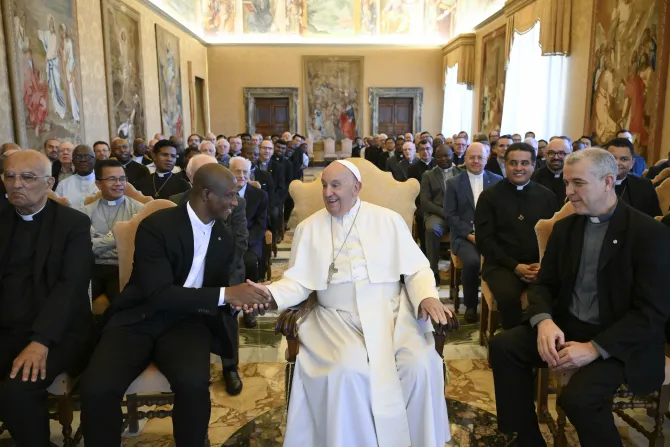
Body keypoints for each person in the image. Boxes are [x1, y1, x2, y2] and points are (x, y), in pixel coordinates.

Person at [248, 160, 453, 447]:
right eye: (324, 186)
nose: (328, 193)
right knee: (345, 371)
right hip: (335, 318)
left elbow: (417, 268)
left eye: (335, 185)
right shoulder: (309, 228)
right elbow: (298, 281)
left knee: (419, 364)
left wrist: (427, 295)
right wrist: (269, 295)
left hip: (392, 314)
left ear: (356, 188)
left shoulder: (388, 219)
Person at [79, 164, 272, 447]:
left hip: (188, 322)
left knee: (193, 385)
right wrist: (227, 295)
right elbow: (158, 293)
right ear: (206, 194)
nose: (235, 201)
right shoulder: (157, 226)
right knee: (97, 387)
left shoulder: (224, 236)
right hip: (138, 319)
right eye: (230, 195)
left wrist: (245, 303)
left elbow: (226, 290)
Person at [490, 148, 670, 447]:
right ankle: (526, 440)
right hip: (568, 326)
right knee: (504, 347)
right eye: (567, 184)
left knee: (579, 399)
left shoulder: (649, 234)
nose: (569, 192)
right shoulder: (565, 228)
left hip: (622, 341)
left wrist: (595, 348)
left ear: (608, 181)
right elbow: (542, 285)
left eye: (578, 183)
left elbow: (651, 313)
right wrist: (544, 320)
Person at [0, 150, 92, 445]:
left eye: (27, 177)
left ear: (49, 182)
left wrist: (41, 341)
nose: (17, 185)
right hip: (7, 327)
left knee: (17, 390)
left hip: (57, 332)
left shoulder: (73, 224)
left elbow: (71, 287)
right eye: (10, 176)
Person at [475, 143, 558, 329]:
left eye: (524, 163)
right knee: (508, 296)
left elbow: (555, 238)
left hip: (538, 265)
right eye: (513, 163)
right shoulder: (489, 197)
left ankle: (542, 339)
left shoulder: (547, 197)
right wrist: (515, 266)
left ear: (533, 165)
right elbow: (485, 240)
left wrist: (543, 265)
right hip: (501, 265)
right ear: (505, 164)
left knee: (553, 293)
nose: (519, 168)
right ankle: (513, 340)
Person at [445, 143, 502, 323]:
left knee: (501, 260)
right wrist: (470, 235)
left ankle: (499, 304)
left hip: (491, 235)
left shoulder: (498, 180)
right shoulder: (453, 183)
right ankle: (470, 305)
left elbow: (502, 212)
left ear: (486, 159)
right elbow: (450, 215)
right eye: (472, 157)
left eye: (480, 157)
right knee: (472, 261)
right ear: (465, 159)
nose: (476, 161)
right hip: (464, 236)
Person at [82, 160, 144, 303]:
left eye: (122, 178)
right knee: (78, 300)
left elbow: (137, 247)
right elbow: (87, 248)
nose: (118, 183)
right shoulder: (85, 212)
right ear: (98, 184)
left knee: (120, 303)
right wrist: (119, 238)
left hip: (124, 268)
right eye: (112, 179)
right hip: (93, 268)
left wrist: (100, 240)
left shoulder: (139, 210)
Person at [421, 144, 461, 285]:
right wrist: (444, 212)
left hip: (458, 215)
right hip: (437, 214)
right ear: (435, 158)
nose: (443, 159)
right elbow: (425, 202)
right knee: (432, 229)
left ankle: (463, 273)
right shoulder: (428, 175)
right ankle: (433, 272)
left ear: (452, 155)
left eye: (446, 155)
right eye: (439, 156)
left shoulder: (461, 173)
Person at [230, 156, 268, 283]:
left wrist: (244, 243)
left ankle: (251, 293)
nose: (241, 175)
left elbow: (260, 225)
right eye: (237, 171)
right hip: (227, 239)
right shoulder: (222, 192)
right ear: (229, 172)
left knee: (249, 261)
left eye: (245, 172)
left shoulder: (260, 195)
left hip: (250, 240)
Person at [605, 137, 661, 217]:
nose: (617, 163)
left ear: (632, 163)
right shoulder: (591, 184)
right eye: (612, 158)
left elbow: (655, 219)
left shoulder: (644, 186)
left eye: (624, 159)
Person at [409, 140, 435, 253]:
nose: (425, 152)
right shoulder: (413, 168)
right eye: (422, 149)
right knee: (421, 216)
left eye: (428, 148)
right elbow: (411, 190)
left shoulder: (438, 164)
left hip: (438, 201)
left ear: (432, 149)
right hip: (421, 203)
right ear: (418, 152)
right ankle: (424, 249)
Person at [55, 144, 99, 210]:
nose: (83, 160)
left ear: (94, 160)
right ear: (73, 161)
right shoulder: (63, 184)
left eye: (87, 157)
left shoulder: (103, 182)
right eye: (78, 157)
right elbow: (56, 208)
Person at [531, 137, 572, 205]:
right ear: (545, 155)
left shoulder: (575, 179)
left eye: (561, 153)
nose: (556, 157)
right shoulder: (534, 177)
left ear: (569, 155)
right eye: (551, 153)